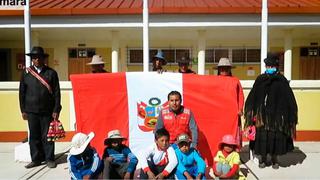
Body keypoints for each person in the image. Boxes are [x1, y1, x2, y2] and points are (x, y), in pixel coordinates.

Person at [244, 53, 298, 169]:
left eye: (271, 66)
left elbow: (288, 98)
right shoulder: (260, 79)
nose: (269, 68)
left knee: (275, 137)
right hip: (262, 117)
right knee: (263, 137)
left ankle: (274, 159)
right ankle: (263, 159)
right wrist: (253, 111)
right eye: (268, 66)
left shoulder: (282, 81)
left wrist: (288, 114)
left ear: (276, 67)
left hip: (277, 117)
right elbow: (254, 96)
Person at [19, 46, 62, 169]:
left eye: (39, 57)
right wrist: (23, 110)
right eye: (34, 58)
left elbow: (57, 93)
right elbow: (22, 93)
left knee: (47, 136)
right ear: (32, 59)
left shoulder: (51, 73)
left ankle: (49, 159)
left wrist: (56, 110)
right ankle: (36, 159)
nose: (36, 60)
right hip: (31, 111)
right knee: (34, 136)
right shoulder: (26, 73)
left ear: (43, 58)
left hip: (47, 111)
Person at [216, 57, 244, 147]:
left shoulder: (235, 81)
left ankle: (234, 153)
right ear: (219, 69)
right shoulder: (213, 81)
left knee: (234, 133)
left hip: (233, 114)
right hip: (219, 113)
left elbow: (240, 95)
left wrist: (240, 109)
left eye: (226, 68)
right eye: (222, 68)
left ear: (230, 69)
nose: (224, 70)